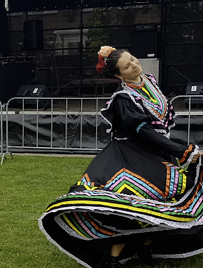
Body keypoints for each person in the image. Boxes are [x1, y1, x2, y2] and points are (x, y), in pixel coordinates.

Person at [38, 46, 203, 268]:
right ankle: (112, 258)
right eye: (127, 66)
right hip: (130, 156)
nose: (134, 65)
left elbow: (160, 125)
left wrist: (176, 151)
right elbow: (145, 133)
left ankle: (145, 247)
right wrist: (182, 151)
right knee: (127, 205)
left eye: (133, 59)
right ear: (118, 75)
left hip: (156, 153)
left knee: (158, 202)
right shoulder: (124, 99)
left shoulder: (149, 81)